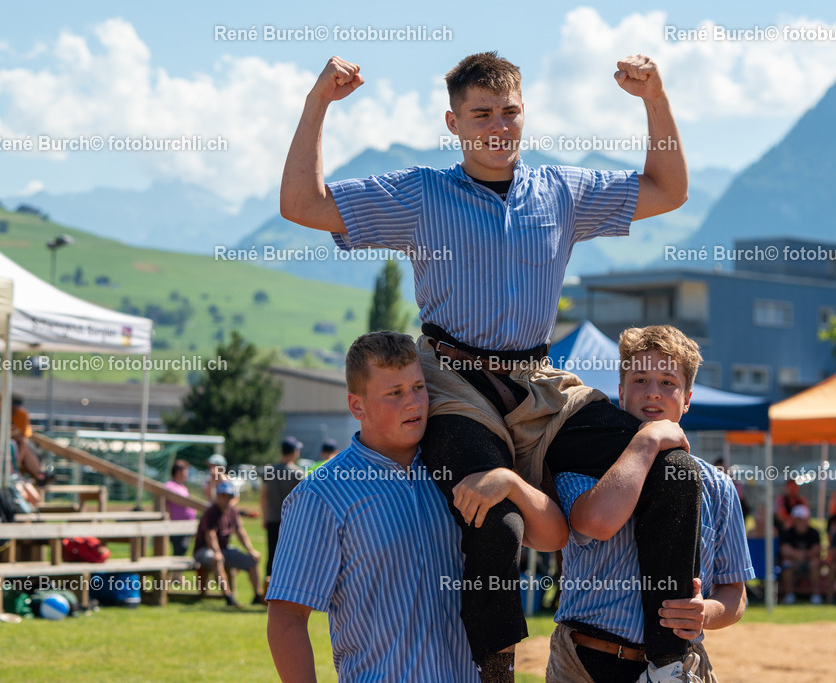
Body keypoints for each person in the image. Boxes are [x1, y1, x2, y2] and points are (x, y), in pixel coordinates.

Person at [281, 50, 699, 680]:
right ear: (453, 124)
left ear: (524, 113)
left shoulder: (561, 191)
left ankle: (669, 661)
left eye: (509, 112)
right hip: (454, 382)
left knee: (672, 467)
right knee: (494, 516)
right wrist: (318, 103)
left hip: (540, 384)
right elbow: (302, 204)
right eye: (481, 115)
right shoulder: (420, 194)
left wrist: (655, 98)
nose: (498, 127)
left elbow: (669, 190)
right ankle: (495, 670)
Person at [266, 332, 569, 682]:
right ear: (357, 406)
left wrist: (511, 482)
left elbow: (554, 537)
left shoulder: (462, 470)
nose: (413, 403)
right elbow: (287, 618)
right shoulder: (322, 495)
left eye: (418, 387)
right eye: (395, 393)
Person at [548, 325, 753, 683]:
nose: (653, 392)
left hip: (681, 664)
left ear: (687, 399)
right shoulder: (586, 462)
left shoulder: (718, 486)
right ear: (621, 392)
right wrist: (647, 442)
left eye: (668, 382)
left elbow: (735, 593)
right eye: (640, 379)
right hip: (586, 660)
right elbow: (597, 522)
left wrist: (705, 612)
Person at [194, 480, 263, 608]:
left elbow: (240, 532)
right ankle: (228, 597)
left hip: (224, 549)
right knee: (217, 560)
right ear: (218, 496)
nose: (226, 499)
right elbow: (210, 535)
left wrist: (250, 550)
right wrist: (217, 552)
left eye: (229, 496)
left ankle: (257, 596)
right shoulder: (211, 512)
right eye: (223, 496)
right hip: (204, 550)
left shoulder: (232, 511)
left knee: (252, 560)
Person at [260, 436, 305, 585]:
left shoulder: (269, 471)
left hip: (272, 518)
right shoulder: (298, 473)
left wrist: (264, 517)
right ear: (294, 451)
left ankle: (267, 588)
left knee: (272, 555)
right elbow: (301, 500)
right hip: (291, 520)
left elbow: (263, 496)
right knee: (290, 556)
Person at [779, 504, 823, 605]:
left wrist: (803, 554)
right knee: (786, 564)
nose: (800, 522)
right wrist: (797, 554)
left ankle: (816, 595)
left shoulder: (814, 533)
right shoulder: (788, 532)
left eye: (802, 519)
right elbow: (784, 550)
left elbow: (816, 550)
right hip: (794, 561)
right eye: (798, 519)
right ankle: (789, 595)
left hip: (808, 561)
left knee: (815, 563)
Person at [163, 460, 196, 556]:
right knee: (180, 548)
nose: (187, 474)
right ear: (178, 472)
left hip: (187, 525)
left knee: (183, 549)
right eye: (185, 471)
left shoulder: (183, 487)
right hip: (177, 525)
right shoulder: (169, 486)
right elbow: (164, 503)